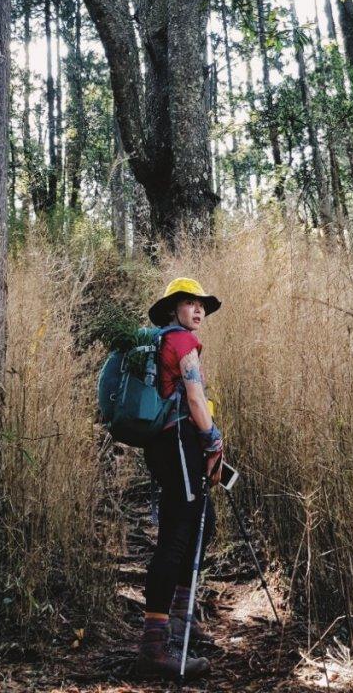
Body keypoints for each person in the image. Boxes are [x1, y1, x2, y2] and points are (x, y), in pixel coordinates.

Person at [134, 278, 223, 681]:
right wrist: (213, 440)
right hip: (179, 444)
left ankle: (180, 622)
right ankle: (154, 646)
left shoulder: (164, 341)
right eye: (188, 303)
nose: (197, 309)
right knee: (178, 533)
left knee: (201, 523)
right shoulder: (182, 343)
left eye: (200, 304)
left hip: (168, 445)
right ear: (173, 309)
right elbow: (194, 398)